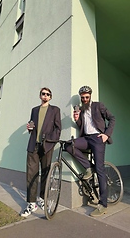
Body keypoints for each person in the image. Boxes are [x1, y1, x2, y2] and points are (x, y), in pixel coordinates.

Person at [65, 85, 115, 217]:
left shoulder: (99, 106)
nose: (85, 99)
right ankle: (88, 167)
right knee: (69, 146)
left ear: (90, 96)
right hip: (86, 138)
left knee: (100, 170)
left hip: (98, 139)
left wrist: (106, 135)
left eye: (87, 97)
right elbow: (82, 126)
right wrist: (77, 119)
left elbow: (112, 118)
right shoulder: (81, 109)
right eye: (82, 98)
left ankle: (103, 204)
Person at [21, 87, 61, 217]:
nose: (45, 96)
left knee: (45, 173)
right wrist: (29, 128)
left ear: (50, 97)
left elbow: (58, 128)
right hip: (33, 145)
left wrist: (51, 142)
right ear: (40, 96)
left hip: (47, 146)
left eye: (48, 94)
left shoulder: (55, 110)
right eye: (43, 94)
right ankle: (31, 204)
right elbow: (33, 127)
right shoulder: (34, 110)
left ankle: (42, 199)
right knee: (31, 174)